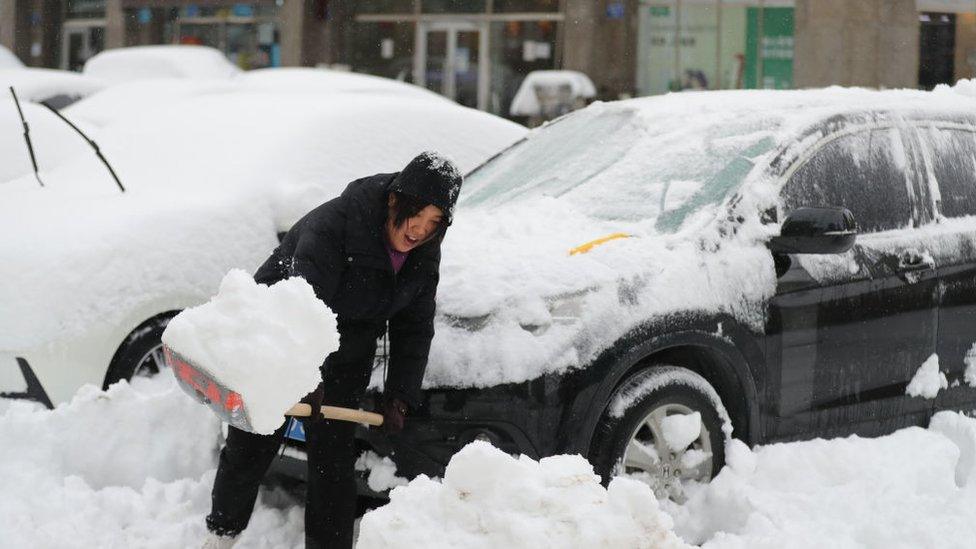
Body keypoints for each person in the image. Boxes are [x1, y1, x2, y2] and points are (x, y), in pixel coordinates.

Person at [201, 151, 462, 549]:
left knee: (333, 462)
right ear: (395, 200)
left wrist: (400, 395)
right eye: (417, 215)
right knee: (253, 445)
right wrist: (303, 374)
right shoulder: (335, 226)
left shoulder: (424, 252)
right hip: (282, 336)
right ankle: (221, 534)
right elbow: (303, 305)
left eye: (434, 223)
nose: (419, 231)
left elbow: (414, 325)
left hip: (348, 348)